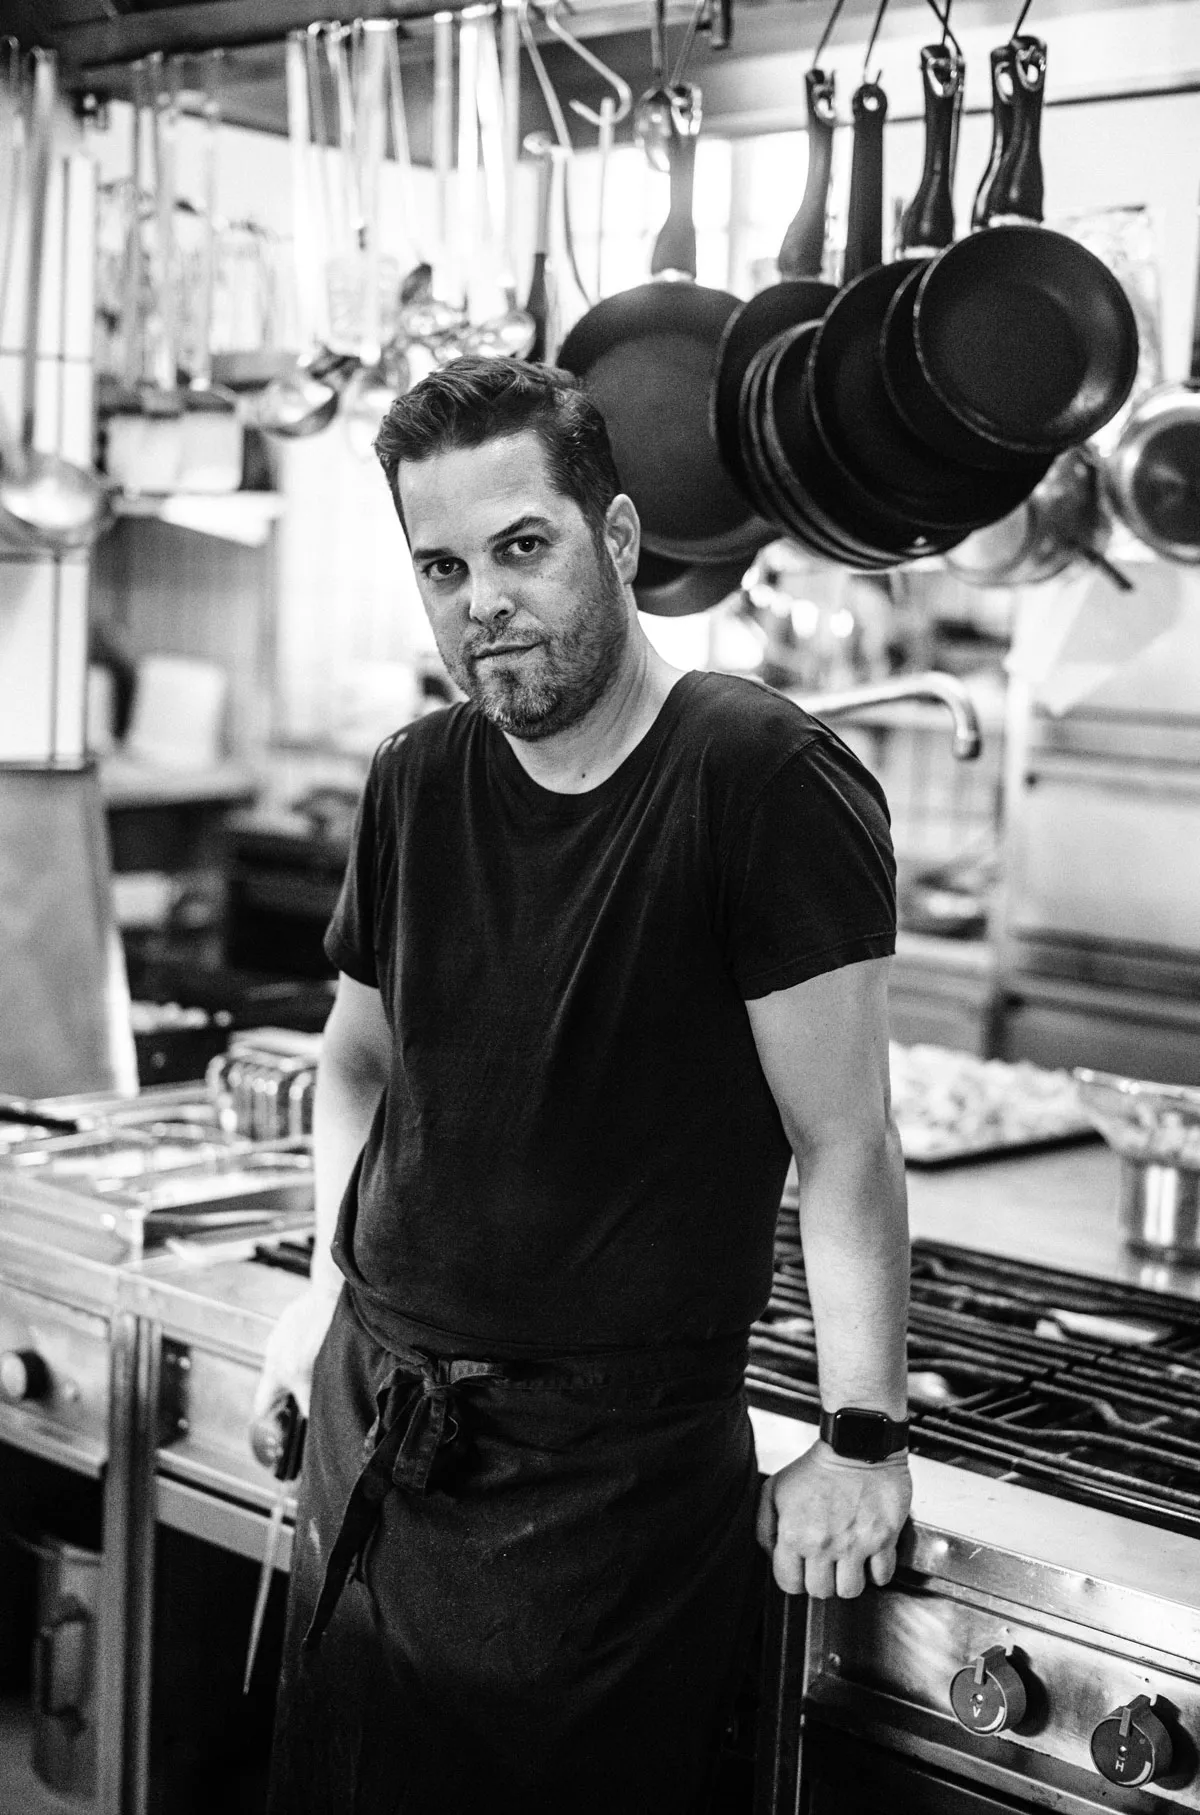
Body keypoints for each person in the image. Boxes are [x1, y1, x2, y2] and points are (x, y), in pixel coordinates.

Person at [256, 357, 912, 1815]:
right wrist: (323, 1287)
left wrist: (864, 1431)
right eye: (442, 566)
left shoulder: (759, 779)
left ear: (615, 539)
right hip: (377, 1433)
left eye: (521, 547)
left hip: (609, 1492)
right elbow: (356, 1060)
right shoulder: (414, 776)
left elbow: (846, 1141)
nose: (481, 600)